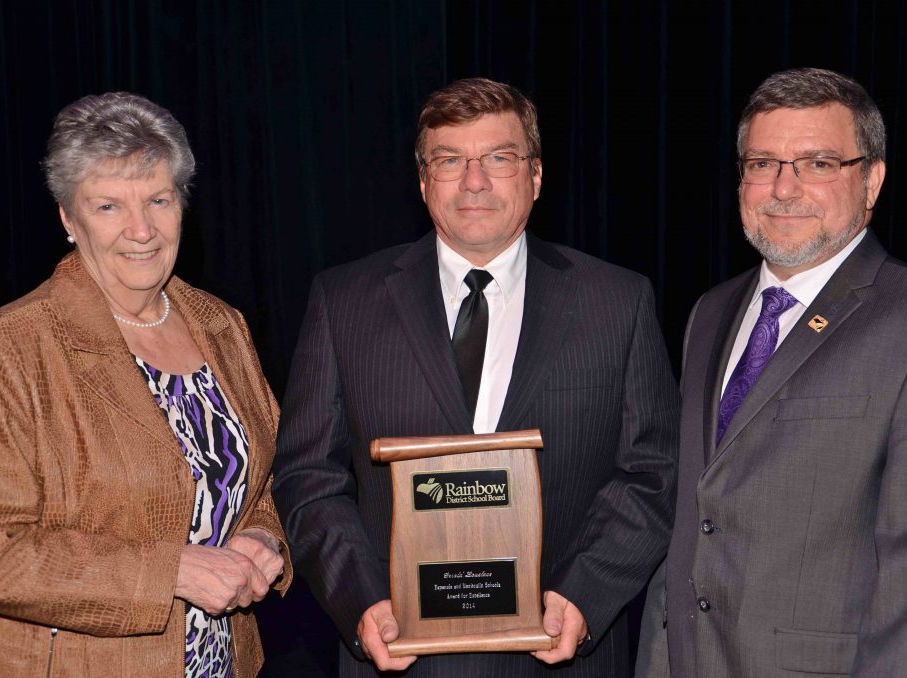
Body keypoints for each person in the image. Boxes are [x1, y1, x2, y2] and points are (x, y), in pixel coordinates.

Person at [273, 77, 679, 676]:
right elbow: (308, 478)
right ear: (422, 181)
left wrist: (583, 596)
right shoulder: (344, 302)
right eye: (449, 161)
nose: (474, 180)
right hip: (401, 654)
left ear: (535, 177)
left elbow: (652, 472)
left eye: (498, 158)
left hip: (558, 652)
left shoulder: (618, 302)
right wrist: (363, 600)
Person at [635, 67, 907, 677]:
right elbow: (689, 529)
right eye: (762, 164)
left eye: (818, 164)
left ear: (872, 181)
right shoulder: (710, 312)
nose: (784, 188)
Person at [0, 92, 291, 677]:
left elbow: (261, 479)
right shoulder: (15, 345)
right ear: (67, 219)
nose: (141, 230)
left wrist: (263, 538)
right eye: (108, 207)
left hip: (223, 663)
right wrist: (171, 570)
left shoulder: (221, 325)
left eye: (158, 199)